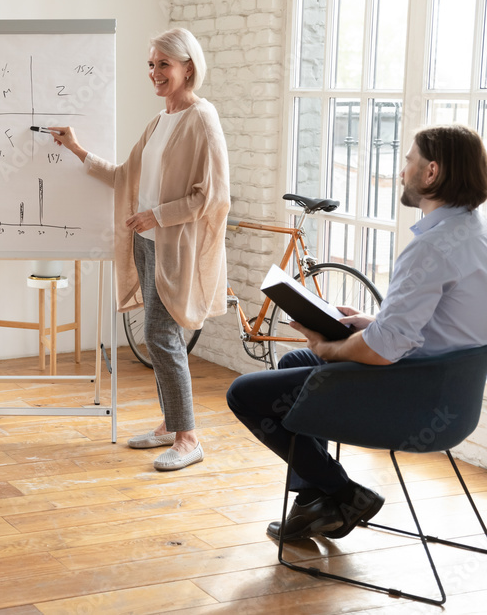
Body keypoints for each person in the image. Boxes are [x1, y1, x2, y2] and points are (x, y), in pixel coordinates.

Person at [227, 124, 487, 542]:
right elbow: (443, 327)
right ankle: (315, 504)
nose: (403, 170)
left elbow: (383, 352)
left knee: (245, 394)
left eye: (409, 161)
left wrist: (327, 345)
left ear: (432, 172)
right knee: (296, 362)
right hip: (448, 394)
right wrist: (370, 322)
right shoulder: (474, 235)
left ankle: (345, 493)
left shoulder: (431, 247)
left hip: (411, 398)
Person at [48, 28, 230, 471]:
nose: (154, 73)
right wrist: (76, 149)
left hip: (173, 245)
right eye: (151, 64)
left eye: (163, 64)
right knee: (157, 335)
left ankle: (188, 438)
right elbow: (125, 176)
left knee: (161, 337)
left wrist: (157, 216)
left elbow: (214, 196)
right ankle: (172, 425)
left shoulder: (202, 118)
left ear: (188, 67)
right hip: (146, 244)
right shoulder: (159, 120)